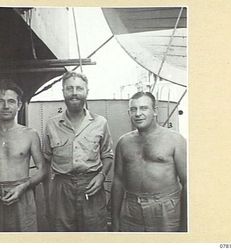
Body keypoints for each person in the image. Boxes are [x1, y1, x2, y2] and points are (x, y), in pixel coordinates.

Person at [42, 71, 113, 232]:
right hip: (61, 188)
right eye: (69, 88)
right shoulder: (52, 124)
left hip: (91, 186)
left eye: (79, 88)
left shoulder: (100, 122)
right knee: (62, 235)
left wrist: (101, 176)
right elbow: (45, 161)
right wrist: (49, 196)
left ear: (87, 92)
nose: (74, 93)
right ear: (63, 92)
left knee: (94, 235)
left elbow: (108, 155)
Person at [0, 80, 46, 232]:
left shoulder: (30, 135)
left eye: (11, 101)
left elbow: (43, 169)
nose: (6, 106)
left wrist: (24, 186)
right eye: (0, 101)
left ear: (18, 105)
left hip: (22, 195)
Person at [111, 91, 187, 232]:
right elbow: (118, 181)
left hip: (166, 211)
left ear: (155, 111)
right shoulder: (124, 142)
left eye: (144, 108)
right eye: (133, 109)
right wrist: (115, 220)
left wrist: (186, 224)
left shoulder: (176, 140)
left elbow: (188, 182)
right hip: (131, 211)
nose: (138, 113)